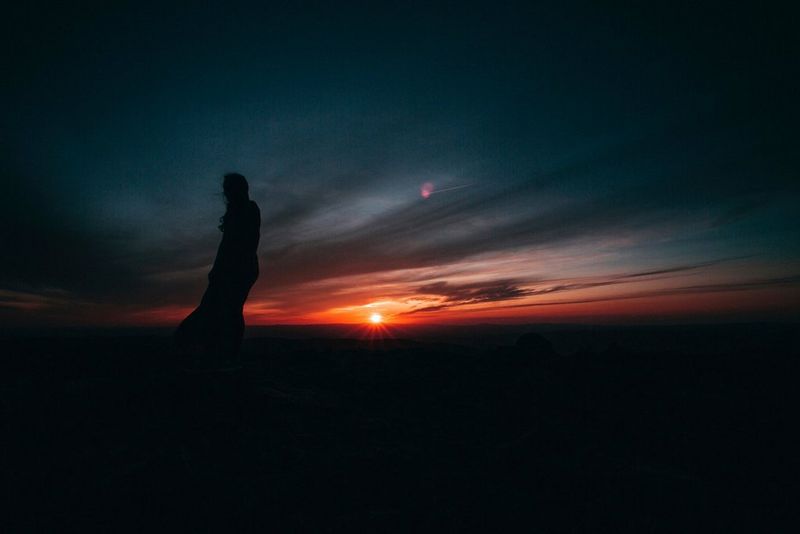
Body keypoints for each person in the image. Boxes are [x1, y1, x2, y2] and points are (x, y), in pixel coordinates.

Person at [176, 173, 261, 367]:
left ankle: (224, 355)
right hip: (234, 271)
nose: (227, 193)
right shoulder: (237, 212)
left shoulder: (248, 209)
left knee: (224, 310)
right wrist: (218, 269)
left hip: (238, 271)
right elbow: (226, 247)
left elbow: (240, 245)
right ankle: (221, 353)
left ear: (241, 189)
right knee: (225, 310)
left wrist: (222, 270)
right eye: (226, 189)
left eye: (231, 188)